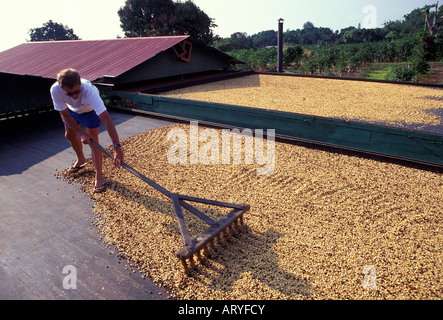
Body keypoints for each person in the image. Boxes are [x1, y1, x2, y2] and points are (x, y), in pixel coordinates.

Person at [50, 68, 124, 193]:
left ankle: (99, 176)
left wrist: (117, 147)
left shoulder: (90, 92)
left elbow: (106, 120)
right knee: (69, 135)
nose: (74, 96)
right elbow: (65, 115)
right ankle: (81, 160)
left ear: (80, 83)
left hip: (90, 112)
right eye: (69, 94)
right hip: (71, 112)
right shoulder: (55, 89)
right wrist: (81, 133)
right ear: (62, 88)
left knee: (93, 142)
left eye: (77, 91)